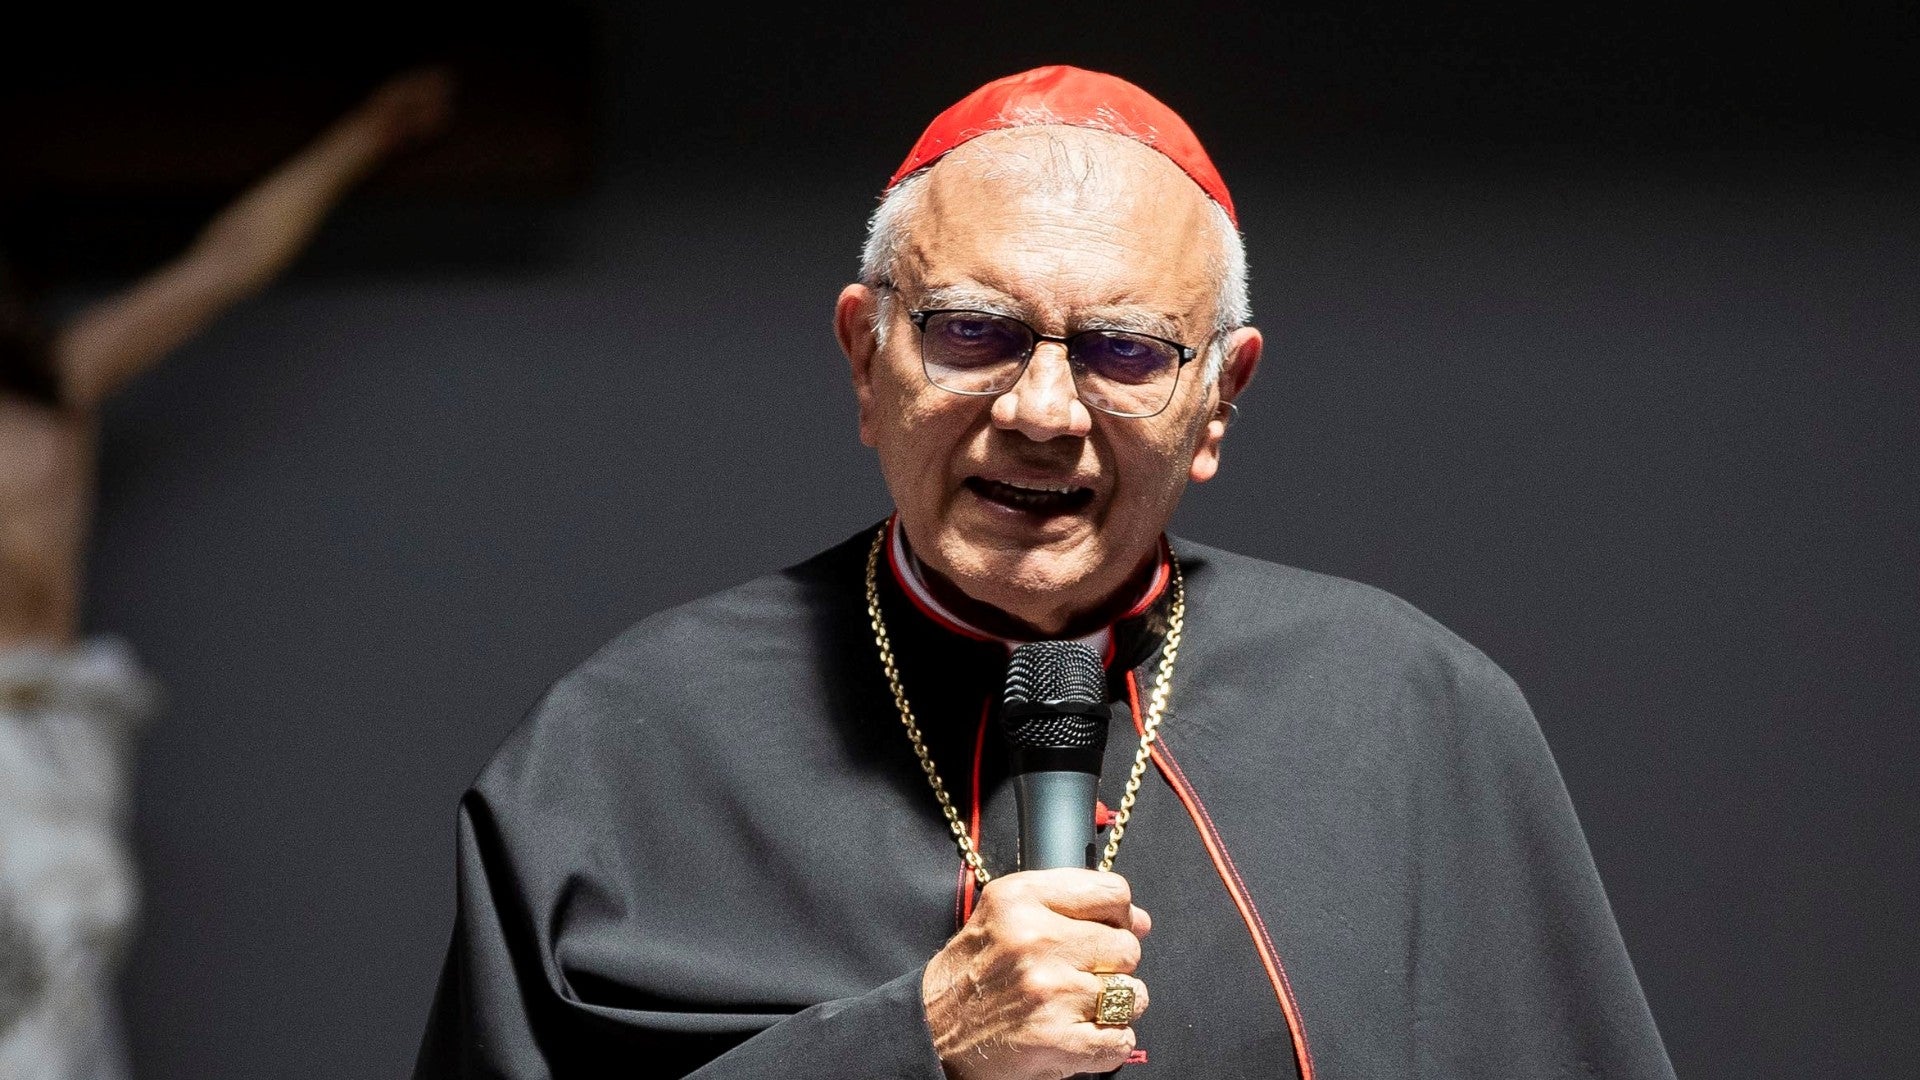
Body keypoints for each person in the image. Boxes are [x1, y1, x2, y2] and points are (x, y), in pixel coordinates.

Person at [411, 65, 1676, 1079]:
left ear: (1220, 400)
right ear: (866, 360)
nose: (1043, 410)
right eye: (974, 330)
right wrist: (906, 1047)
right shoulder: (621, 745)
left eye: (1125, 351)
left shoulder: (1412, 715)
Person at [0, 65, 455, 1080]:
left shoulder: (59, 386)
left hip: (49, 731)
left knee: (63, 953)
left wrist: (362, 137)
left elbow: (227, 263)